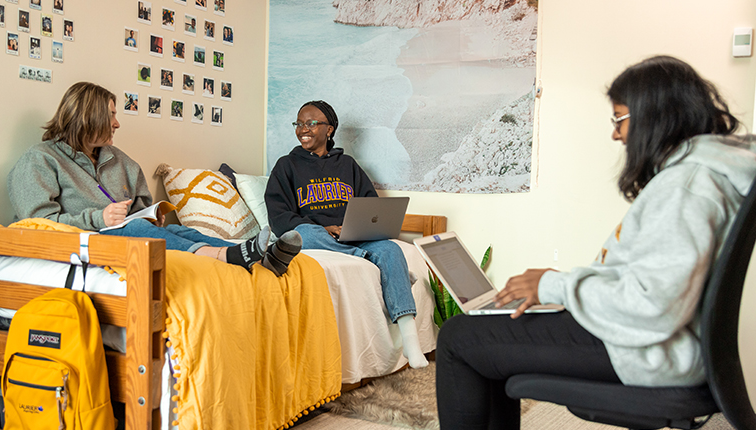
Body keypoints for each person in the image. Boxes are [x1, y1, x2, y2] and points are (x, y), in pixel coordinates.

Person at [435, 55, 756, 429]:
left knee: (458, 338)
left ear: (655, 115)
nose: (616, 134)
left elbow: (654, 306)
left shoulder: (686, 187)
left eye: (620, 119)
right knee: (487, 337)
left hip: (644, 349)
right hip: (648, 341)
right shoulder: (704, 174)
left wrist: (556, 285)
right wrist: (562, 287)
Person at [8, 82, 302, 276]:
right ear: (88, 116)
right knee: (135, 231)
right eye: (110, 114)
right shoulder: (42, 159)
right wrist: (99, 218)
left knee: (180, 233)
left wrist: (150, 216)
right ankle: (233, 257)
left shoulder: (120, 161)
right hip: (87, 242)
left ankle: (256, 256)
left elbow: (139, 209)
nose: (117, 123)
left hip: (126, 231)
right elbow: (36, 224)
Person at [265, 100, 429, 369]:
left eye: (311, 123)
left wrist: (357, 228)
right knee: (302, 234)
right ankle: (368, 257)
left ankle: (411, 342)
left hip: (353, 235)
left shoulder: (348, 165)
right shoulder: (286, 166)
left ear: (329, 129)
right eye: (299, 123)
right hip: (315, 235)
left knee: (393, 249)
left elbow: (370, 205)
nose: (302, 129)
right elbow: (279, 216)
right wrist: (323, 228)